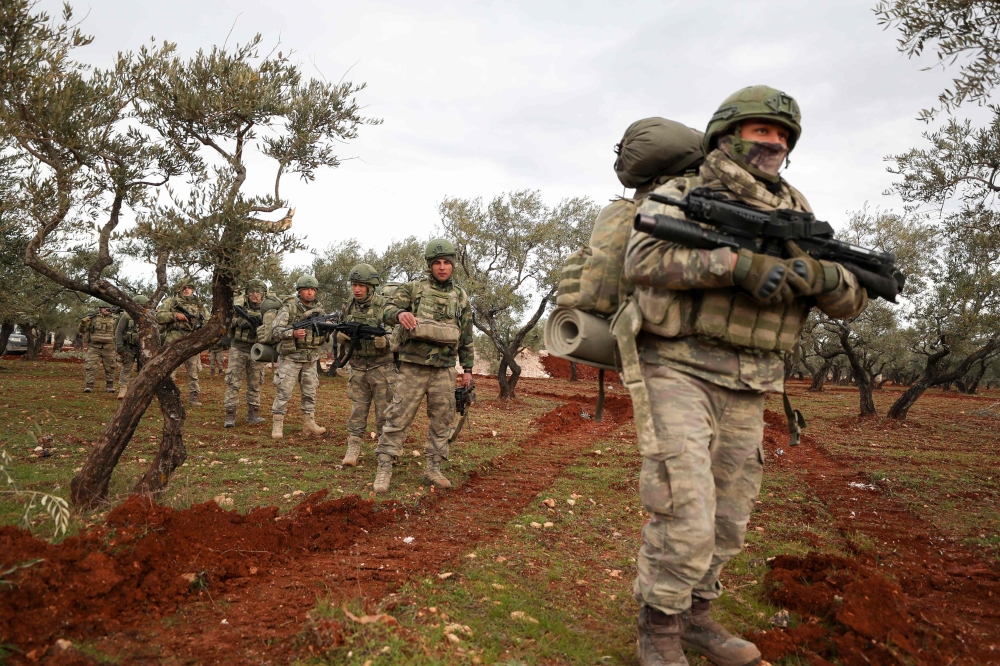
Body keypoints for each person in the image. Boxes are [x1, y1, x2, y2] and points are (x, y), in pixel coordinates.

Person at [624, 85, 868, 666]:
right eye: (764, 130)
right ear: (727, 134)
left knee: (730, 519)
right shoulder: (682, 192)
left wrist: (826, 281)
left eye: (785, 134)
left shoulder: (798, 211)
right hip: (678, 367)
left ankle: (696, 617)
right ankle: (657, 629)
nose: (777, 142)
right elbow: (642, 260)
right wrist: (733, 265)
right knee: (685, 510)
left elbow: (852, 295)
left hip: (752, 380)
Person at [371, 239, 474, 493]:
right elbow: (385, 309)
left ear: (452, 266)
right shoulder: (414, 288)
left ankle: (433, 469)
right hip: (413, 367)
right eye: (437, 263)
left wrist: (468, 370)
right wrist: (399, 314)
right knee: (398, 416)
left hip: (445, 369)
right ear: (430, 266)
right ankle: (384, 467)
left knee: (443, 420)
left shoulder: (460, 296)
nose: (442, 267)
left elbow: (467, 335)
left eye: (446, 263)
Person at [339, 264, 396, 466]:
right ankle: (353, 448)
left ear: (371, 286)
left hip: (382, 369)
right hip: (358, 368)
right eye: (354, 285)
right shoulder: (348, 307)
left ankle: (386, 451)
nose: (357, 290)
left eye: (361, 285)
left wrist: (387, 341)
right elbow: (341, 327)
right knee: (357, 412)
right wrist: (340, 337)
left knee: (385, 413)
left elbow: (400, 334)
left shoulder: (386, 306)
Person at [269, 275, 330, 439]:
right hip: (291, 358)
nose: (310, 293)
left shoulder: (320, 311)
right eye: (306, 289)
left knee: (310, 393)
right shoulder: (289, 308)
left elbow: (324, 337)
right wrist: (292, 333)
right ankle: (277, 424)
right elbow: (274, 331)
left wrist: (328, 329)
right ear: (299, 291)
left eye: (312, 290)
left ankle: (309, 423)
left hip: (311, 359)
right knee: (284, 392)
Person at [156, 279, 209, 406]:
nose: (186, 289)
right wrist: (175, 315)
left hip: (192, 338)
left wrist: (201, 331)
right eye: (184, 287)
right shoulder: (170, 302)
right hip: (173, 339)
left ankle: (194, 396)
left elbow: (208, 320)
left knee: (193, 370)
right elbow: (159, 317)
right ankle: (170, 396)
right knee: (170, 369)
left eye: (189, 287)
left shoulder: (199, 304)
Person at [224, 280, 269, 428]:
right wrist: (238, 322)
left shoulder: (268, 311)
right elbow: (225, 322)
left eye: (258, 292)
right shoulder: (238, 307)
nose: (255, 295)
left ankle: (253, 414)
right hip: (238, 348)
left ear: (263, 294)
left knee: (255, 383)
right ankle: (230, 416)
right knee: (233, 382)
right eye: (251, 292)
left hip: (257, 350)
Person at [114, 295, 149, 399]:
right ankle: (123, 388)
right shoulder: (126, 315)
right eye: (137, 305)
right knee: (126, 367)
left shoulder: (149, 315)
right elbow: (119, 331)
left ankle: (143, 390)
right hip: (129, 347)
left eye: (142, 305)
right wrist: (120, 346)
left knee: (144, 369)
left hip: (143, 348)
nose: (139, 307)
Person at [80, 304, 119, 393]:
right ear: (100, 309)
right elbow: (82, 331)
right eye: (103, 307)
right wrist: (82, 324)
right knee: (90, 366)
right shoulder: (92, 318)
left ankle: (110, 386)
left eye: (107, 308)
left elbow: (119, 331)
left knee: (110, 367)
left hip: (109, 347)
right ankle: (89, 386)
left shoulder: (116, 319)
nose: (105, 309)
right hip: (94, 347)